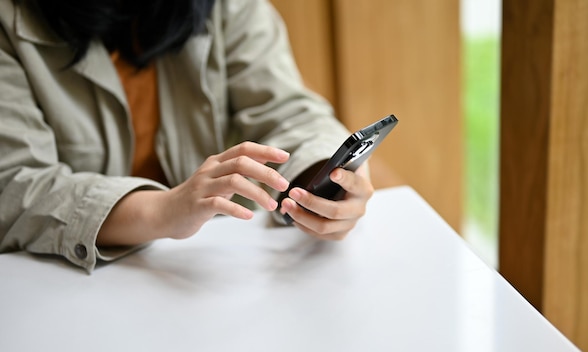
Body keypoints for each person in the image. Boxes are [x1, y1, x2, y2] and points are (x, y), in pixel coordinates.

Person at [0, 0, 374, 273]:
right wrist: (165, 209)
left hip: (216, 272)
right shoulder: (10, 20)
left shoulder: (227, 6)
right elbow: (15, 184)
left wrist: (326, 179)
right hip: (75, 281)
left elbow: (289, 110)